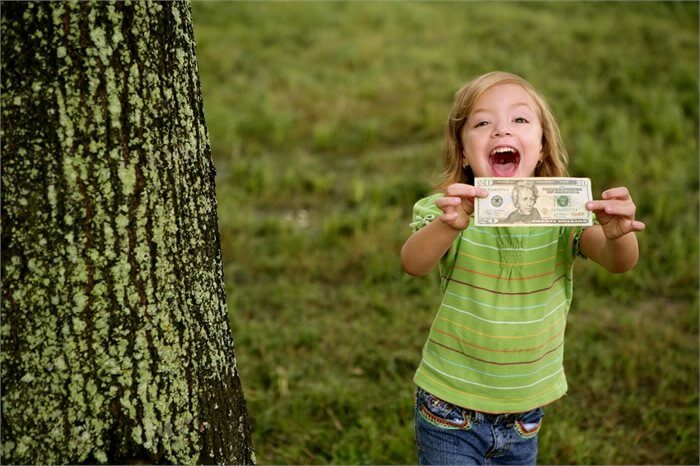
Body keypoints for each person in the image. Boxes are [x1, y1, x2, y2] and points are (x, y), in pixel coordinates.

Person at [400, 71, 645, 465]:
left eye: (519, 120)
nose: (501, 131)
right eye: (482, 123)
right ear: (463, 152)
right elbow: (413, 263)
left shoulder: (564, 215)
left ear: (542, 146)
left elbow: (619, 263)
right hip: (449, 408)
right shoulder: (448, 209)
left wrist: (618, 235)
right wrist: (448, 224)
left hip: (524, 414)